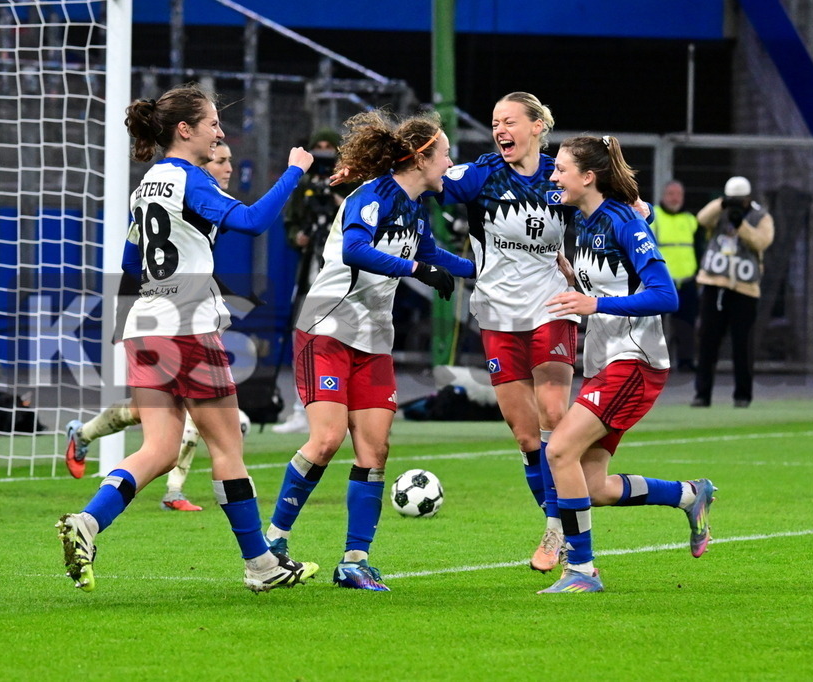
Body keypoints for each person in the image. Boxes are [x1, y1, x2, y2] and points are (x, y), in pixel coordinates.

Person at [56, 83, 319, 593]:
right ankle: (261, 566)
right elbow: (253, 221)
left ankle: (88, 522)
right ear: (185, 129)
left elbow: (133, 263)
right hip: (188, 325)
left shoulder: (146, 184)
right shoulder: (186, 179)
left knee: (158, 448)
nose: (220, 131)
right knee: (228, 447)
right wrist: (294, 171)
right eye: (214, 124)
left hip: (146, 323)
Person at [263, 110, 475, 591]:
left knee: (375, 449)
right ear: (421, 158)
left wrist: (481, 272)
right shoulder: (372, 195)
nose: (448, 163)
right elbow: (355, 250)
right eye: (444, 154)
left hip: (374, 338)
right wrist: (417, 270)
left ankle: (354, 561)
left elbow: (433, 254)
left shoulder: (415, 205)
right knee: (325, 440)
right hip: (328, 327)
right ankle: (273, 544)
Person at [540, 135, 715, 594]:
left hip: (634, 361)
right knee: (595, 486)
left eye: (560, 169)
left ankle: (581, 570)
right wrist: (570, 274)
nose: (553, 176)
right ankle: (689, 494)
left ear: (588, 177)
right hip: (605, 363)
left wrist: (592, 302)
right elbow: (609, 280)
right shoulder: (587, 221)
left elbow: (665, 294)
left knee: (559, 450)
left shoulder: (621, 220)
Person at [435, 92, 579, 574]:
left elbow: (609, 201)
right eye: (495, 122)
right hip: (497, 314)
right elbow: (425, 180)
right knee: (525, 437)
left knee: (554, 414)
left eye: (510, 120)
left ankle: (559, 530)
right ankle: (560, 520)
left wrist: (637, 213)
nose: (500, 129)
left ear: (538, 125)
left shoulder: (562, 176)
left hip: (552, 308)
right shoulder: (480, 175)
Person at [63, 142, 237, 514]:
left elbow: (137, 255)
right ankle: (174, 491)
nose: (228, 168)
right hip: (166, 316)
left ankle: (84, 437)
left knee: (151, 421)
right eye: (221, 160)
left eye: (230, 161)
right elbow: (135, 258)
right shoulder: (189, 190)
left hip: (158, 312)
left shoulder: (160, 191)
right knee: (201, 426)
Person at [273, 128, 353, 435]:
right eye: (316, 147)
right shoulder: (304, 187)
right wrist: (299, 237)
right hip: (309, 272)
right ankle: (298, 408)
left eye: (327, 148)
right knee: (302, 339)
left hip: (341, 274)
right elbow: (291, 223)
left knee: (340, 340)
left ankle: (338, 408)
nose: (322, 154)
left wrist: (337, 199)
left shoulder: (351, 185)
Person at [690, 175, 775, 408]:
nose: (736, 204)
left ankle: (742, 395)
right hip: (714, 285)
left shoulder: (761, 217)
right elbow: (701, 219)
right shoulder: (719, 211)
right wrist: (722, 204)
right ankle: (702, 394)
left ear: (748, 198)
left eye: (739, 200)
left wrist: (741, 226)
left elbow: (761, 242)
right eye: (732, 199)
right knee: (707, 341)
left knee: (742, 344)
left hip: (745, 290)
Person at [652, 179, 701, 372]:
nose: (675, 198)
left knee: (686, 324)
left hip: (687, 281)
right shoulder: (654, 216)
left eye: (678, 194)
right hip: (662, 281)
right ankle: (656, 362)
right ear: (664, 195)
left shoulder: (690, 220)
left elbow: (699, 248)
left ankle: (686, 361)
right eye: (671, 194)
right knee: (656, 324)